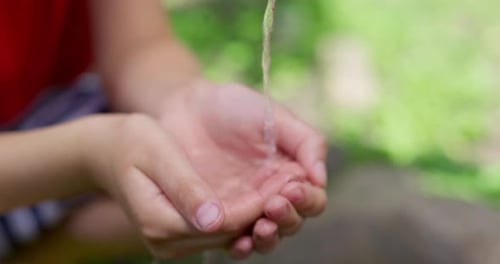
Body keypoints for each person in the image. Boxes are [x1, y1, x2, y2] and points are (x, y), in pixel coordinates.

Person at [0, 0, 328, 260]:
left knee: (182, 180)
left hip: (41, 107)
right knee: (151, 182)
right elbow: (100, 147)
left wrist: (184, 100)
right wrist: (89, 157)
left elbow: (141, 47)